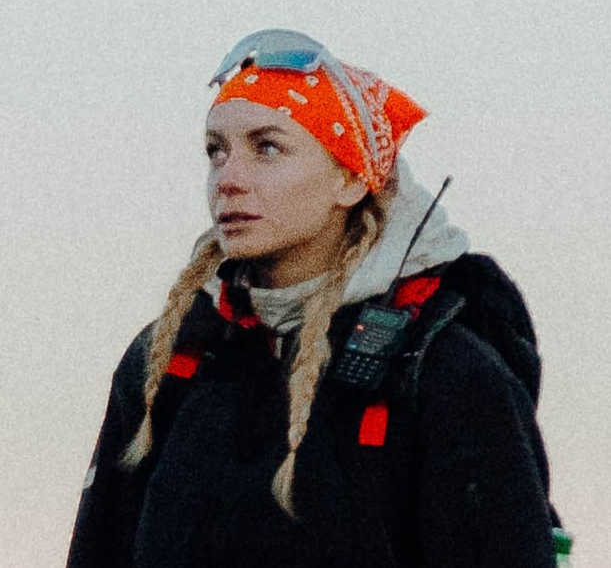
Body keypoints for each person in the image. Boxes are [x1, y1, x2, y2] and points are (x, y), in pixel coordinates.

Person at [66, 29, 563, 568]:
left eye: (267, 148)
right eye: (216, 151)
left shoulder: (443, 368)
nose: (227, 179)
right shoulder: (171, 359)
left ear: (351, 179)